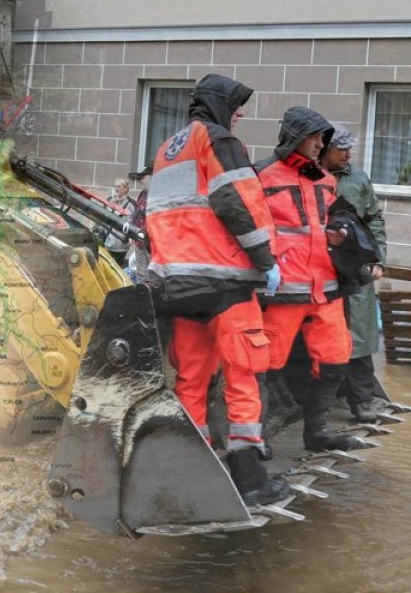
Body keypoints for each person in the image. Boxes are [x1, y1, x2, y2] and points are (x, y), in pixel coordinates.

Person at [144, 74, 289, 506]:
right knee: (243, 373)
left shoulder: (167, 149)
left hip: (178, 284)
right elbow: (239, 202)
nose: (240, 113)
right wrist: (267, 260)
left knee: (191, 379)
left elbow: (160, 215)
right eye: (237, 105)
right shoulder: (220, 139)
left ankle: (193, 473)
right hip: (225, 281)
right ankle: (250, 481)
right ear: (221, 105)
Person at [253, 107, 361, 451]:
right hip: (283, 288)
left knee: (335, 360)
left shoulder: (325, 180)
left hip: (325, 287)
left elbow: (326, 224)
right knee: (265, 367)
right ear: (295, 138)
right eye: (313, 137)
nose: (320, 144)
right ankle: (255, 437)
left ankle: (317, 431)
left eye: (321, 138)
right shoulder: (260, 175)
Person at [319, 122, 388, 422]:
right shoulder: (309, 176)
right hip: (318, 268)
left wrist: (377, 258)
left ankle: (362, 401)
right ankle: (318, 405)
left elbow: (374, 218)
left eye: (350, 148)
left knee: (359, 333)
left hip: (356, 267)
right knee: (321, 335)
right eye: (342, 149)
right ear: (324, 148)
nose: (348, 154)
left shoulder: (357, 179)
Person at [103, 178, 137, 266]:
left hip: (121, 243)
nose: (116, 188)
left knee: (117, 267)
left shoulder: (131, 204)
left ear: (125, 189)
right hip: (108, 240)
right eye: (115, 186)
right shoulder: (109, 199)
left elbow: (131, 223)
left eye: (119, 186)